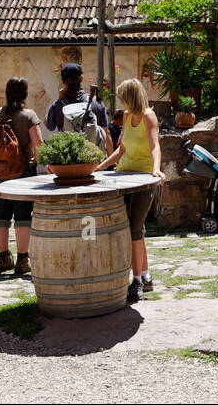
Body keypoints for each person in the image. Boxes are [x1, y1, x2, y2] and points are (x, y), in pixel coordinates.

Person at [99, 79, 163, 303]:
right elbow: (122, 149)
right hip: (123, 177)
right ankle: (146, 276)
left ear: (131, 96)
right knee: (137, 230)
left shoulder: (148, 116)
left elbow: (155, 146)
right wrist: (100, 167)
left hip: (143, 179)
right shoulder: (126, 116)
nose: (121, 101)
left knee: (134, 229)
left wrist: (155, 170)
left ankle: (135, 281)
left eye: (122, 97)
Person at [0, 77, 43, 275]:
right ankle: (23, 259)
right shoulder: (29, 116)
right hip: (24, 173)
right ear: (25, 94)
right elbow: (38, 146)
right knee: (23, 215)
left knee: (1, 213)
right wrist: (42, 166)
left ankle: (3, 257)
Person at [45, 63, 111, 153]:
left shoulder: (57, 106)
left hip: (68, 161)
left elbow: (49, 126)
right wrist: (112, 162)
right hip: (93, 160)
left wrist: (58, 101)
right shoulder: (96, 103)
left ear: (63, 81)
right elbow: (106, 133)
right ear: (81, 79)